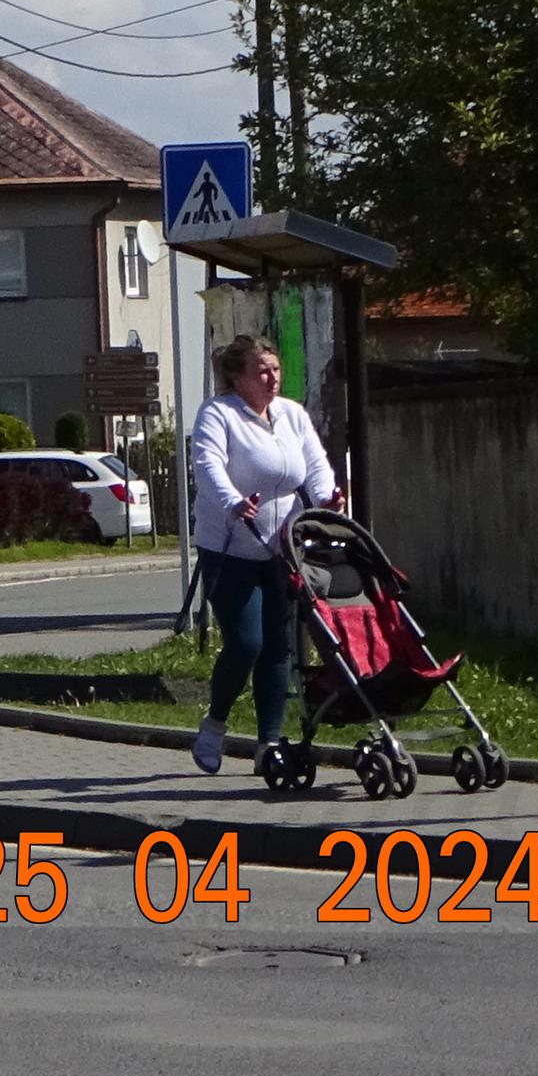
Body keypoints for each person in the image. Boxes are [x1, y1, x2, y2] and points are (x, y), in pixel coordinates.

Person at [185, 331, 340, 776]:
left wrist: (329, 498)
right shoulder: (219, 414)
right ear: (237, 377)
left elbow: (315, 465)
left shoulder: (291, 414)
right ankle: (215, 724)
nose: (272, 378)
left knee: (277, 648)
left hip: (282, 548)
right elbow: (208, 463)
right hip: (230, 548)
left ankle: (268, 744)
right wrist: (233, 501)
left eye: (275, 370)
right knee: (246, 642)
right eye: (261, 371)